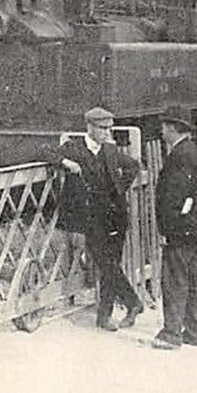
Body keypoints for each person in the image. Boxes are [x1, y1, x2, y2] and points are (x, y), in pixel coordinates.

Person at [57, 107, 143, 332]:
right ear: (90, 127)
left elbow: (134, 166)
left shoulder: (111, 151)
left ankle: (104, 317)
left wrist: (119, 190)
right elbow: (45, 152)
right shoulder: (74, 148)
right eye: (103, 128)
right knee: (106, 263)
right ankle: (133, 303)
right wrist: (67, 163)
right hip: (91, 217)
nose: (107, 133)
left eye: (109, 128)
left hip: (115, 216)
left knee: (109, 266)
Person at [153, 109, 197, 350]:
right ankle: (195, 332)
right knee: (194, 280)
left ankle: (171, 334)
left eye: (164, 126)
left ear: (172, 128)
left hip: (180, 230)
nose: (161, 130)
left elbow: (174, 197)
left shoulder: (179, 155)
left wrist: (171, 225)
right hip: (195, 229)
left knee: (174, 280)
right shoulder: (193, 151)